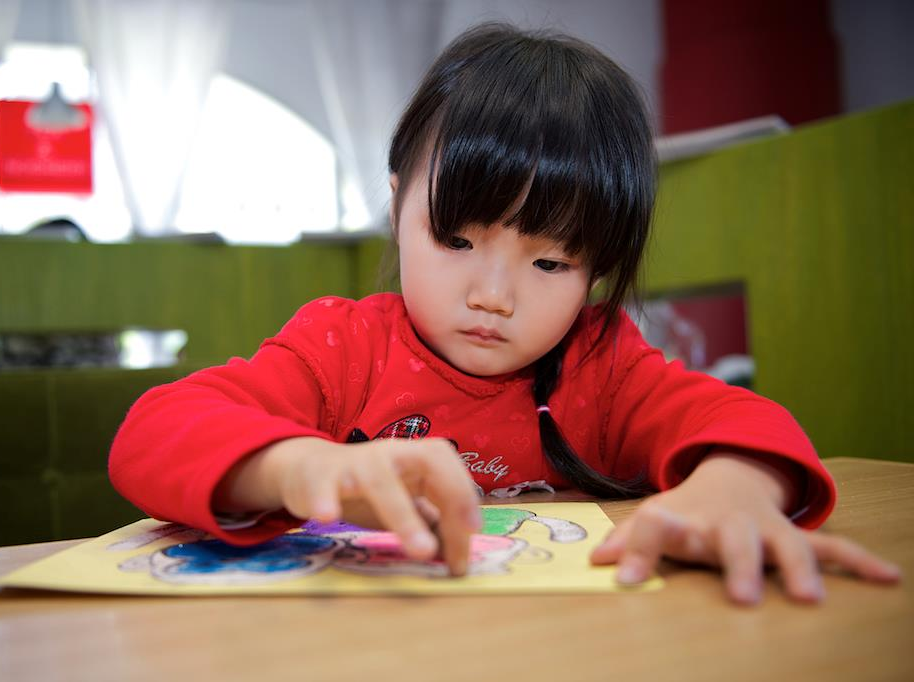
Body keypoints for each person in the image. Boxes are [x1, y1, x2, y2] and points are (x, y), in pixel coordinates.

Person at [109, 23, 900, 604]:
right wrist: (304, 469)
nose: (493, 295)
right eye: (455, 239)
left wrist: (737, 488)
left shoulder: (602, 366)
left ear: (599, 266)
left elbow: (748, 423)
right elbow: (153, 433)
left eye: (551, 262)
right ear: (398, 207)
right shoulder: (342, 346)